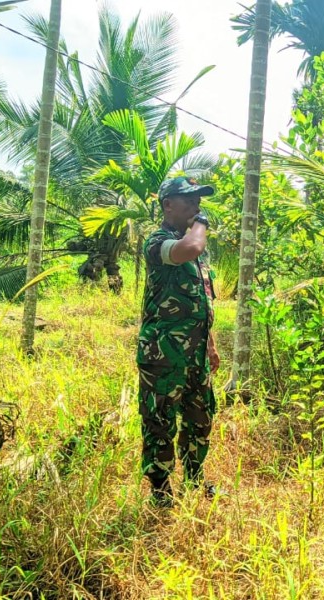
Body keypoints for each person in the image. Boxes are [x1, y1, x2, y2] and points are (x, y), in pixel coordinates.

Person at [136, 176, 223, 506]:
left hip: (196, 353)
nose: (197, 205)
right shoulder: (158, 243)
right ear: (168, 204)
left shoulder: (197, 251)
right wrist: (200, 224)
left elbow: (201, 300)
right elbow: (191, 248)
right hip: (163, 354)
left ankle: (196, 480)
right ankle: (160, 491)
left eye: (199, 199)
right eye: (189, 200)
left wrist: (211, 344)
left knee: (199, 419)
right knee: (159, 421)